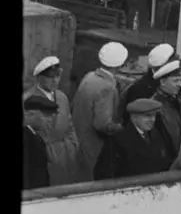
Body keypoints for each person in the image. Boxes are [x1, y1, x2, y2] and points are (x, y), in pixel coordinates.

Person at [72, 41, 128, 179]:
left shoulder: (89, 77)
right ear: (120, 64)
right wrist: (124, 130)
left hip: (79, 139)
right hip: (95, 147)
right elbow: (102, 124)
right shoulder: (107, 87)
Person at [23, 56, 81, 185]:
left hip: (66, 156)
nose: (55, 80)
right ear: (39, 78)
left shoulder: (62, 97)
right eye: (50, 77)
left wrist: (73, 146)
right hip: (43, 160)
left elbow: (70, 125)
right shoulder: (28, 100)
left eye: (57, 76)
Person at [94, 97, 174, 179]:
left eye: (154, 116)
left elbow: (164, 162)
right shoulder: (118, 141)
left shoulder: (156, 134)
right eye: (147, 116)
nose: (152, 120)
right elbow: (104, 173)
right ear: (134, 118)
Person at [148, 60, 181, 157]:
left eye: (180, 80)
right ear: (162, 82)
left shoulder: (178, 101)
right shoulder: (154, 105)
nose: (180, 84)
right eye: (175, 81)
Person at [23, 95, 58, 190]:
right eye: (46, 115)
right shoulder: (26, 139)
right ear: (30, 114)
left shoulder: (36, 136)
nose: (50, 120)